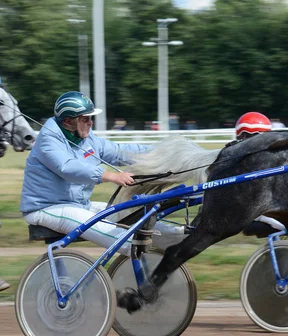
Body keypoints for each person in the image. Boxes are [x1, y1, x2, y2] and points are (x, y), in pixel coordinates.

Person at [20, 91, 184, 256]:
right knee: (122, 236)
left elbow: (119, 152)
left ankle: (177, 238)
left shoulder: (86, 137)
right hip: (46, 207)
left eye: (91, 118)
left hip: (78, 204)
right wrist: (112, 176)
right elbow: (67, 167)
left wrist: (161, 153)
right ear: (68, 121)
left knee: (131, 215)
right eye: (85, 119)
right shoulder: (48, 140)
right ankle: (133, 250)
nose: (91, 123)